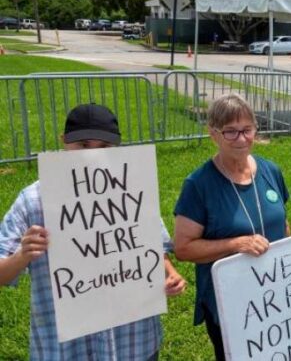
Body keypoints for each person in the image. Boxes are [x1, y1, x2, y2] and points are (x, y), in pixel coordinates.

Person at [0, 104, 186, 360]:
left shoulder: (132, 190)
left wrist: (170, 274)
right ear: (64, 142)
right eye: (83, 145)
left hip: (133, 343)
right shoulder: (34, 200)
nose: (92, 155)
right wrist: (22, 255)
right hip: (66, 348)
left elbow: (152, 246)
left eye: (103, 148)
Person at [173, 94, 291, 361]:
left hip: (273, 296)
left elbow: (282, 223)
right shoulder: (198, 185)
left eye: (247, 130)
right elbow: (183, 248)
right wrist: (237, 244)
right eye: (230, 132)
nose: (241, 139)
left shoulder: (271, 170)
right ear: (213, 134)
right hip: (230, 301)